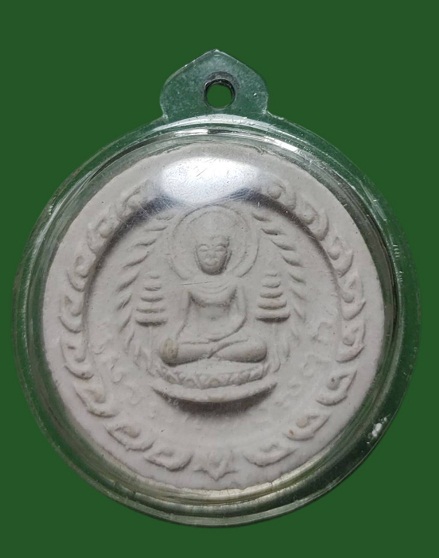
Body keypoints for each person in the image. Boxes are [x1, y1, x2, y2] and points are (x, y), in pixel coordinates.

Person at [160, 232, 266, 366]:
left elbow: (240, 315)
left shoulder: (234, 283)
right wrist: (173, 336)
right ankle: (215, 352)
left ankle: (205, 353)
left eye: (219, 249)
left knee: (258, 347)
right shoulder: (189, 285)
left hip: (229, 335)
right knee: (168, 351)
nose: (211, 255)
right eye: (204, 249)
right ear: (196, 255)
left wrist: (225, 333)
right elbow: (181, 320)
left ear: (227, 255)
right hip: (196, 335)